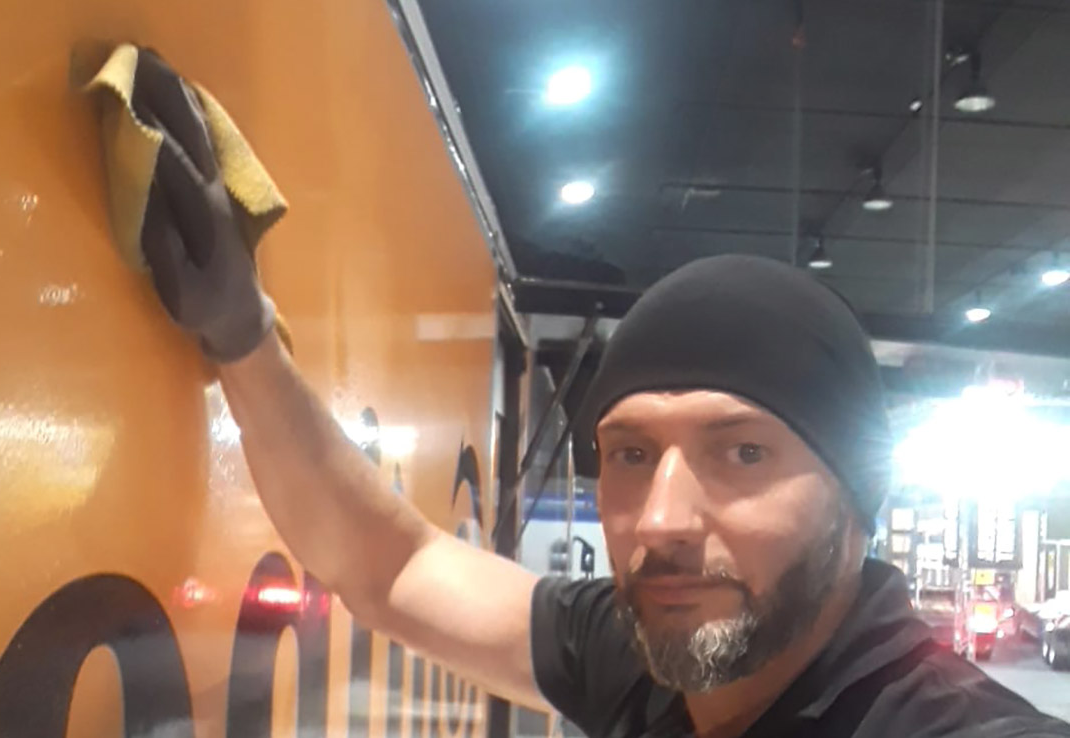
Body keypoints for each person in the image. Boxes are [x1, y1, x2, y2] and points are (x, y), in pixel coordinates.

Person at [128, 52, 1070, 738]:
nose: (660, 520)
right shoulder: (644, 658)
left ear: (858, 502)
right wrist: (243, 337)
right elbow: (393, 569)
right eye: (630, 454)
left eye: (741, 452)